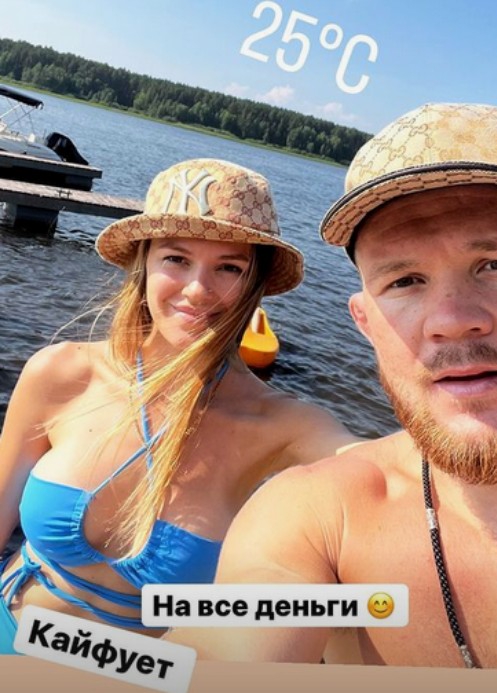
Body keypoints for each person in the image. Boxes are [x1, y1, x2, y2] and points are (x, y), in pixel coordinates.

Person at [168, 104, 497, 670]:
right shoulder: (321, 519)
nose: (451, 320)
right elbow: (202, 662)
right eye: (404, 281)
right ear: (366, 322)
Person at [0, 158, 358, 654]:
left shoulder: (286, 428)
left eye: (229, 267)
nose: (197, 290)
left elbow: (388, 475)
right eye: (176, 259)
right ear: (143, 262)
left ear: (253, 284)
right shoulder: (61, 373)